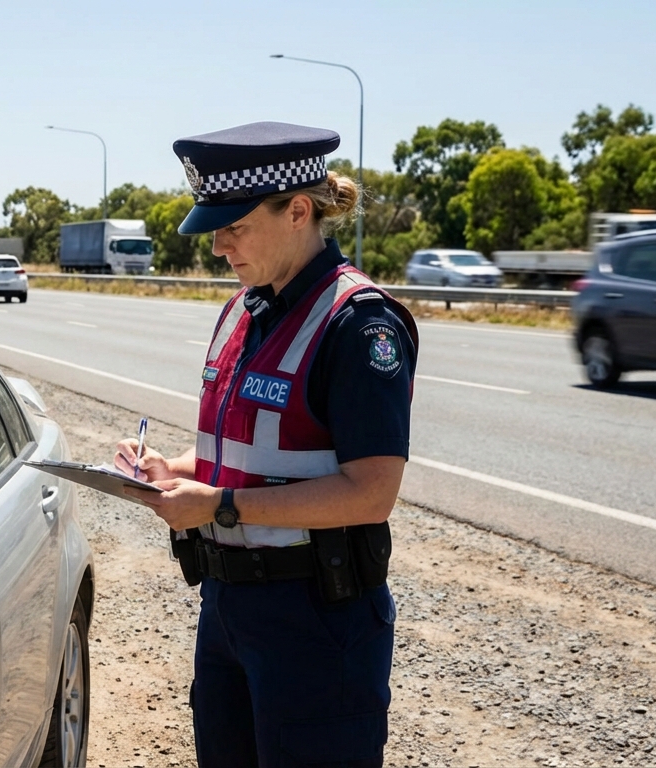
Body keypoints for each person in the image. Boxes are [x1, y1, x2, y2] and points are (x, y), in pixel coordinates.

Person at [115, 121, 418, 768]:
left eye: (234, 226)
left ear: (298, 212)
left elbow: (371, 493)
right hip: (228, 608)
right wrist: (172, 470)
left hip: (315, 618)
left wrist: (220, 506)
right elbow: (250, 455)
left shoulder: (358, 322)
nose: (219, 246)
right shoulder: (246, 309)